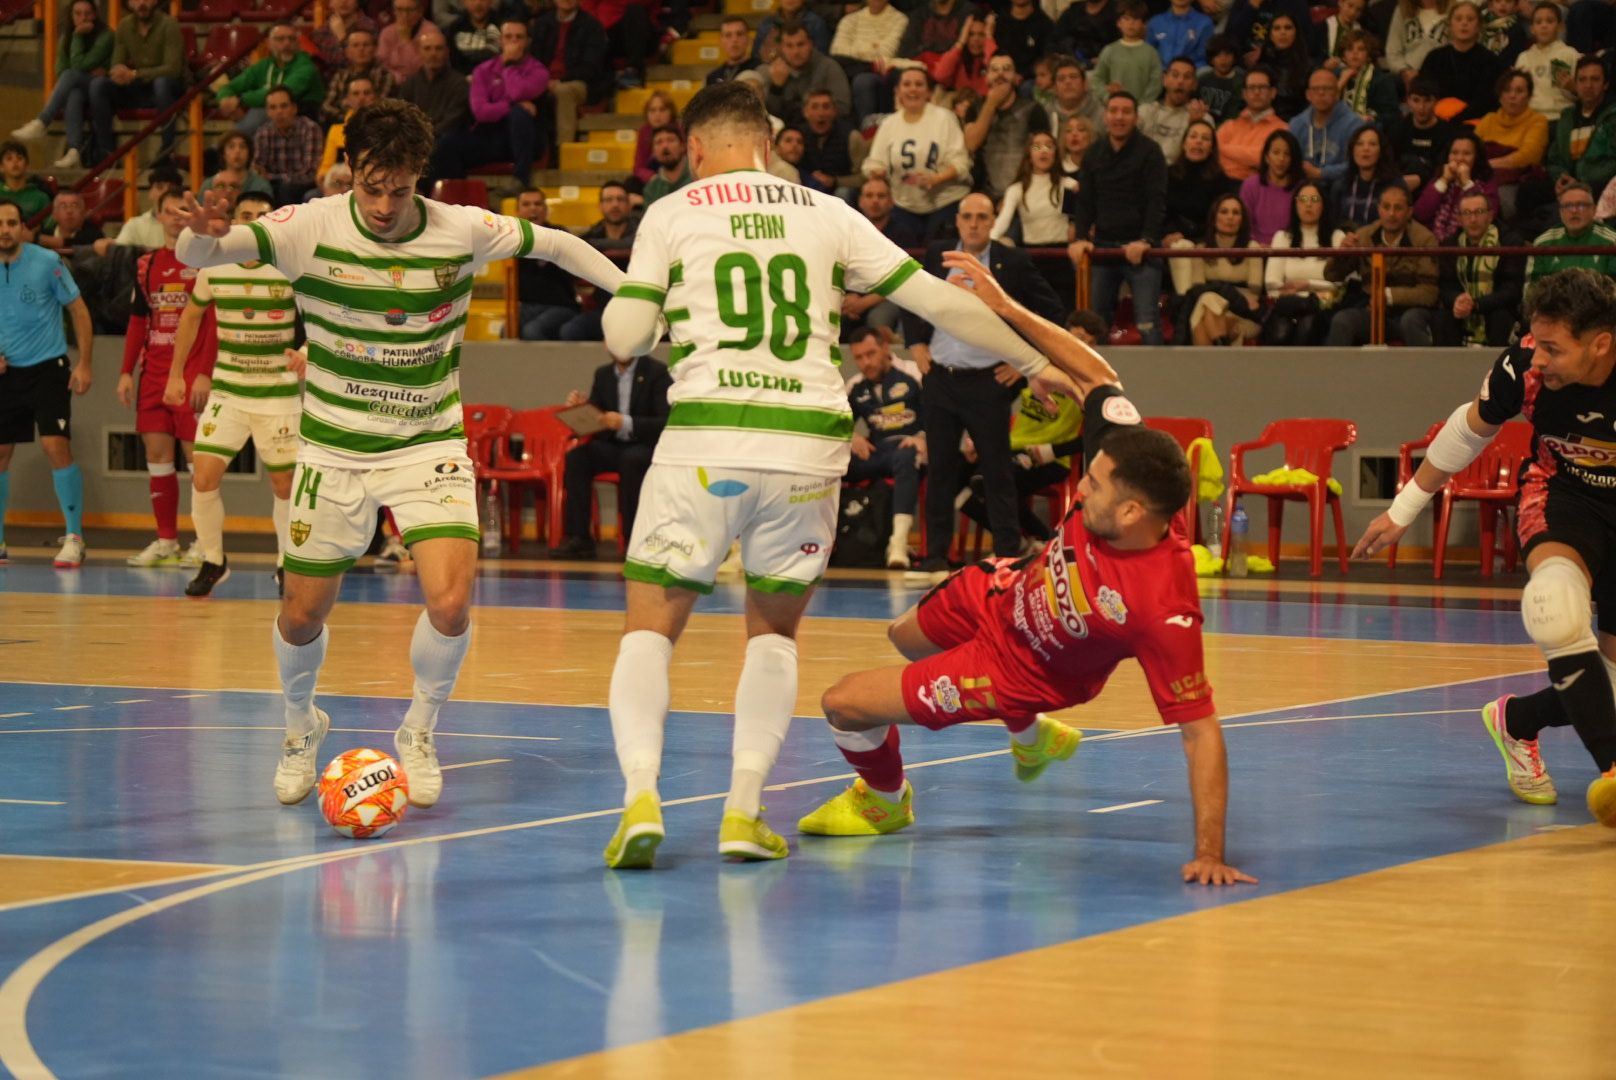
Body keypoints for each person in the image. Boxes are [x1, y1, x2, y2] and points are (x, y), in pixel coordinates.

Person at [596, 80, 1077, 868]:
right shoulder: (824, 209)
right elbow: (935, 299)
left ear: (694, 146)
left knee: (651, 629)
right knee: (773, 635)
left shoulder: (673, 211)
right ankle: (744, 810)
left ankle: (641, 796)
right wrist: (1033, 359)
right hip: (808, 447)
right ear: (769, 140)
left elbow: (622, 337)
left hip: (707, 440)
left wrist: (648, 297)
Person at [173, 98, 627, 810]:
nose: (384, 204)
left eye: (401, 187)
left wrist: (635, 295)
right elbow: (208, 254)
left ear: (422, 176)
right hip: (332, 449)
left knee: (450, 602)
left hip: (428, 444)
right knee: (301, 614)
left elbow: (560, 246)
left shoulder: (462, 228)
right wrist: (194, 244)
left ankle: (418, 730)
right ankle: (300, 725)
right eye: (371, 186)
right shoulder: (305, 229)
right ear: (350, 171)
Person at [801, 248, 1256, 889]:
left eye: (1093, 487)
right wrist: (1006, 311)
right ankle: (1033, 741)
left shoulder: (1162, 606)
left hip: (1020, 671)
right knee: (902, 636)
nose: (1079, 490)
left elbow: (1200, 734)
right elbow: (1100, 378)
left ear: (1131, 512)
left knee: (842, 704)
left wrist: (1209, 850)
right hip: (1006, 587)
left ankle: (885, 799)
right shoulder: (1127, 459)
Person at [1351, 268, 1616, 828]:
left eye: (1553, 348)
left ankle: (1517, 719)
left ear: (1601, 343)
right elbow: (1467, 430)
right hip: (1563, 497)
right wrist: (1402, 510)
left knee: (1608, 682)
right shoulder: (1524, 369)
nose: (1538, 358)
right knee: (1555, 606)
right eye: (1535, 342)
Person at [907, 192, 1064, 571]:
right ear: (958, 221)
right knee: (941, 470)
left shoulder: (1012, 262)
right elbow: (910, 295)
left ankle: (1009, 553)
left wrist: (1024, 360)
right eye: (968, 217)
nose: (975, 223)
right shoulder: (938, 255)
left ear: (993, 222)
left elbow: (1051, 311)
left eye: (982, 217)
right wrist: (915, 341)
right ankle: (936, 556)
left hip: (988, 381)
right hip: (941, 377)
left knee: (996, 470)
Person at [161, 192, 300, 597]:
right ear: (235, 221)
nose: (254, 220)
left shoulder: (289, 266)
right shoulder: (215, 264)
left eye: (262, 215)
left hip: (277, 395)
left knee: (284, 484)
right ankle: (213, 560)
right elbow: (191, 315)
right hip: (229, 392)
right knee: (203, 477)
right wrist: (177, 375)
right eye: (246, 215)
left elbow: (322, 316)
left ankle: (285, 565)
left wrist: (306, 351)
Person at [0, 200, 96, 568]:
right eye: (1, 223)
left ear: (23, 227)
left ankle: (74, 537)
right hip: (6, 375)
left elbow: (78, 309)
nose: (6, 229)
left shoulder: (47, 263)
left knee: (56, 446)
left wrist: (85, 363)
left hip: (47, 368)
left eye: (12, 222)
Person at [119, 188, 211, 568]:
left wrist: (205, 371)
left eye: (182, 211)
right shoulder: (146, 264)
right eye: (168, 212)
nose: (176, 217)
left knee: (198, 461)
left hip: (190, 373)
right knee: (157, 457)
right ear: (157, 217)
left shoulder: (208, 261)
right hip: (153, 373)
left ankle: (207, 543)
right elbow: (139, 321)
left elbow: (213, 321)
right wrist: (126, 371)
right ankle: (166, 541)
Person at [547, 352, 672, 559]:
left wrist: (626, 422)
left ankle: (634, 539)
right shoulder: (603, 374)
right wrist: (584, 409)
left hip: (645, 444)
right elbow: (599, 419)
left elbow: (664, 421)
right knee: (577, 458)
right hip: (612, 443)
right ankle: (580, 538)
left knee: (631, 460)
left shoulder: (657, 372)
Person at [1070, 91, 1169, 344]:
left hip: (1141, 249)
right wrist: (1080, 237)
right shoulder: (1094, 152)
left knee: (1148, 322)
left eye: (1126, 111)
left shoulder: (1151, 151)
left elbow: (1157, 200)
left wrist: (1146, 240)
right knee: (1094, 322)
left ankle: (1159, 382)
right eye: (1114, 111)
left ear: (1136, 117)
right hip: (1102, 247)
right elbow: (1085, 202)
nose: (1119, 117)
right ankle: (1098, 382)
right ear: (1105, 117)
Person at [844, 327, 925, 569]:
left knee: (906, 456)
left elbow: (941, 415)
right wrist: (851, 437)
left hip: (913, 450)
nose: (866, 362)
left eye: (871, 354)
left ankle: (898, 544)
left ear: (885, 348)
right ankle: (828, 543)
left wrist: (924, 437)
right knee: (832, 463)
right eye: (859, 357)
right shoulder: (855, 386)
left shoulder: (914, 373)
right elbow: (836, 423)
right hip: (877, 453)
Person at [430, 20, 548, 186]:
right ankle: (459, 199)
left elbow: (516, 92)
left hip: (526, 139)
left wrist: (509, 66)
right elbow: (481, 112)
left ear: (527, 42)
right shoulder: (482, 71)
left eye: (519, 37)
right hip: (491, 136)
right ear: (500, 40)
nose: (513, 41)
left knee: (519, 115)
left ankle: (521, 183)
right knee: (447, 144)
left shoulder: (538, 71)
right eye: (508, 36)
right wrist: (511, 105)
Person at [862, 67, 972, 240]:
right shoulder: (889, 124)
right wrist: (877, 172)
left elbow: (961, 163)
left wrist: (936, 179)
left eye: (919, 84)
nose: (913, 89)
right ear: (897, 91)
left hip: (945, 202)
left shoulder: (945, 118)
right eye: (907, 84)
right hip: (904, 205)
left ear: (928, 92)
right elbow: (874, 162)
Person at [1323, 183, 1438, 346]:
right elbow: (1331, 276)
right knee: (1343, 321)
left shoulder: (1425, 240)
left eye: (1398, 208)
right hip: (1373, 312)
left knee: (1410, 321)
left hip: (1410, 311)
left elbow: (1429, 293)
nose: (1391, 213)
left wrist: (1387, 295)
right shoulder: (1364, 236)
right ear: (1378, 209)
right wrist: (1342, 254)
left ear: (1409, 212)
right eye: (1386, 207)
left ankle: (1425, 371)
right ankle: (1337, 371)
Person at [11, 0, 112, 170]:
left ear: (95, 15)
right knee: (73, 93)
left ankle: (42, 122)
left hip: (103, 87)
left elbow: (77, 66)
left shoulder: (106, 35)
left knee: (71, 76)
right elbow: (60, 70)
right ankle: (74, 150)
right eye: (77, 13)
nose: (83, 18)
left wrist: (78, 37)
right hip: (82, 86)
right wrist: (84, 71)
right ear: (71, 16)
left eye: (87, 13)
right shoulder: (66, 37)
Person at [88, 0, 183, 162]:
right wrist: (118, 73)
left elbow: (173, 69)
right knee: (98, 85)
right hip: (139, 86)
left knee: (161, 83)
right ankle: (108, 152)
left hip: (169, 87)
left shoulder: (169, 24)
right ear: (129, 3)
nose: (142, 3)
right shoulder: (124, 26)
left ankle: (167, 149)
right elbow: (117, 64)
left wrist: (134, 74)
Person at [1427, 189, 1524, 346]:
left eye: (1478, 212)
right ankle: (1446, 368)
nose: (1473, 219)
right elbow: (1445, 286)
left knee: (1500, 317)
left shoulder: (1510, 242)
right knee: (1442, 318)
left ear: (1490, 215)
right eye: (1466, 213)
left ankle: (1497, 368)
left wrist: (1477, 304)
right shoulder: (1450, 245)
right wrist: (1457, 300)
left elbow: (1512, 290)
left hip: (1497, 308)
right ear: (1459, 218)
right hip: (1463, 310)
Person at [1171, 193, 1264, 344]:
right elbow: (1198, 287)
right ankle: (1220, 348)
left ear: (1242, 220)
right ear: (1214, 218)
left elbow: (1254, 292)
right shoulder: (1201, 249)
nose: (1230, 217)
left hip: (1242, 312)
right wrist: (1225, 291)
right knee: (1206, 302)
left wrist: (1218, 291)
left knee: (1205, 305)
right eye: (1224, 212)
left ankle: (1211, 360)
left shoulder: (1252, 249)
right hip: (1207, 307)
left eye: (1235, 212)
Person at [1263, 179, 1344, 344]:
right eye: (1303, 200)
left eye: (1315, 200)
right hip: (1288, 303)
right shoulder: (1282, 237)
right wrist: (1290, 294)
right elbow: (1271, 282)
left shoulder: (1337, 238)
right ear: (1295, 204)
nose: (1308, 205)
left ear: (1324, 205)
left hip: (1323, 303)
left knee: (1308, 326)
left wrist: (1306, 284)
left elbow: (1339, 287)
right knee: (1281, 332)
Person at [214, 22, 326, 137]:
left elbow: (283, 93)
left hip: (303, 115)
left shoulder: (306, 66)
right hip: (270, 115)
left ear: (298, 43)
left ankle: (227, 146)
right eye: (280, 39)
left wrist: (239, 101)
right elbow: (229, 87)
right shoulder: (265, 65)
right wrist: (225, 100)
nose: (287, 43)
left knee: (264, 111)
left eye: (291, 39)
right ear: (269, 43)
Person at [513, 190, 593, 339]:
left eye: (538, 204)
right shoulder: (513, 239)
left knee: (532, 331)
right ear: (517, 211)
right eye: (526, 204)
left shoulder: (559, 234)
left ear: (545, 210)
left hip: (561, 306)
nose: (533, 208)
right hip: (527, 306)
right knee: (506, 330)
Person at [531, 0, 610, 147]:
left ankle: (564, 149)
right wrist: (544, 81)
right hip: (544, 81)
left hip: (579, 83)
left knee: (563, 91)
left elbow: (591, 67)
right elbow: (533, 61)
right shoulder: (542, 24)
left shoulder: (592, 26)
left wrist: (561, 80)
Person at [1418, 1, 1505, 122]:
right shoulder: (1434, 58)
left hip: (1475, 123)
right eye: (1458, 19)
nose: (1464, 23)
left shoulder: (1490, 61)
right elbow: (1423, 92)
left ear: (1479, 26)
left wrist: (1457, 119)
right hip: (1437, 121)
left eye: (1470, 19)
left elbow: (1487, 102)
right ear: (1449, 25)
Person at [1545, 58, 1616, 205]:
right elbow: (1554, 158)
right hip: (1569, 183)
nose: (1588, 85)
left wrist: (1581, 184)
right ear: (1575, 84)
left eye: (1595, 79)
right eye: (1582, 80)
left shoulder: (1612, 117)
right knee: (1529, 190)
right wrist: (1561, 177)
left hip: (1602, 187)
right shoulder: (1567, 117)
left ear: (1606, 84)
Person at [829, 0, 909, 123]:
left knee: (862, 81)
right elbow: (837, 51)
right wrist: (872, 47)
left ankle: (867, 129)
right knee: (832, 68)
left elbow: (886, 53)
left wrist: (855, 49)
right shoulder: (850, 20)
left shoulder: (900, 20)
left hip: (880, 73)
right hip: (851, 68)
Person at [990, 131, 1075, 246]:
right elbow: (1003, 222)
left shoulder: (1068, 185)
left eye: (1049, 146)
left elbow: (1079, 219)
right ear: (1029, 156)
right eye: (1036, 147)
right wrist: (986, 243)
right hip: (1031, 252)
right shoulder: (1016, 189)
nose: (1043, 151)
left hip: (1061, 251)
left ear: (1055, 154)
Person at [1412, 130, 1498, 242]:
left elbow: (1487, 216)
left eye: (1466, 153)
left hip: (1469, 243)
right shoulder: (1439, 178)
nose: (1459, 158)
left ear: (1476, 157)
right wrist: (1444, 181)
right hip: (1433, 244)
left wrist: (1467, 183)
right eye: (1454, 153)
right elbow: (1420, 214)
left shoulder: (1487, 181)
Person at [761, 19, 853, 123]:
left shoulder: (829, 67)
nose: (796, 52)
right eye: (789, 46)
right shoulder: (773, 70)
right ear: (781, 48)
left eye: (800, 45)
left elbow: (843, 108)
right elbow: (770, 117)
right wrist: (776, 89)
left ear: (810, 44)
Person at [1525, 182, 1616, 283]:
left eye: (1581, 206)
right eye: (1567, 206)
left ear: (1594, 210)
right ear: (1560, 212)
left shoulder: (1612, 242)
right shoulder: (1542, 243)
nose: (1574, 211)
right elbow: (1531, 292)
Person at [1163, 118, 1234, 241]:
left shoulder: (1220, 180)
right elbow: (1158, 212)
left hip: (1203, 240)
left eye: (1205, 138)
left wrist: (1185, 236)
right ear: (1184, 144)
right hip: (1166, 237)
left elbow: (1218, 220)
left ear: (1212, 148)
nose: (1198, 141)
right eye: (1193, 136)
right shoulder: (1167, 174)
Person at [252, 87, 324, 207]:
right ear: (268, 112)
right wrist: (266, 177)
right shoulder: (263, 133)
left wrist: (274, 177)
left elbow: (310, 173)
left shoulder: (310, 129)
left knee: (286, 188)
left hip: (304, 185)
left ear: (294, 108)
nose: (279, 112)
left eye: (284, 106)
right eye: (273, 107)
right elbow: (259, 169)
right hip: (274, 184)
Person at [1385, 74, 1458, 192]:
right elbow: (1388, 165)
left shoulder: (1449, 134)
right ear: (1408, 101)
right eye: (1416, 100)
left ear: (1436, 101)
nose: (1421, 107)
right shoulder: (1397, 130)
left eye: (1427, 100)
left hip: (1435, 189)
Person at [396, 29, 472, 139]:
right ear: (419, 52)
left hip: (444, 143)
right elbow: (402, 116)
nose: (433, 54)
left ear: (447, 52)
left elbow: (452, 122)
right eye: (427, 49)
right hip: (414, 141)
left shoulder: (459, 84)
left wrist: (423, 135)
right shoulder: (410, 83)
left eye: (438, 48)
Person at [1288, 65, 1358, 183]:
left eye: (1327, 89)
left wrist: (1321, 173)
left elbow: (1358, 164)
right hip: (1305, 192)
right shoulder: (1296, 124)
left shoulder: (1354, 124)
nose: (1321, 93)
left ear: (1337, 93)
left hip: (1341, 190)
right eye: (1316, 89)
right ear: (1308, 95)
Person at [1215, 64, 1286, 180]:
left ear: (1273, 92)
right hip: (1220, 185)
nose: (1256, 92)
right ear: (1244, 94)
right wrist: (1248, 161)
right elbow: (1212, 155)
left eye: (1262, 87)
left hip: (1257, 190)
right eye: (1252, 88)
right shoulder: (1229, 126)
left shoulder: (1282, 129)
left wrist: (1222, 148)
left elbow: (1262, 158)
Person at [1513, 2, 1578, 121]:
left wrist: (1573, 88)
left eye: (1549, 21)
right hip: (1529, 118)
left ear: (1560, 27)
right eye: (1538, 22)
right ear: (1532, 28)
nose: (1544, 26)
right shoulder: (1524, 57)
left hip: (1560, 116)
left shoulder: (1569, 54)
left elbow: (1582, 92)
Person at [1092, 0, 1164, 106]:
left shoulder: (1151, 53)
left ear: (1144, 24)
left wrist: (1143, 104)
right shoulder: (1110, 50)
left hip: (1143, 108)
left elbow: (1156, 83)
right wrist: (1106, 96)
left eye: (1135, 19)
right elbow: (1097, 79)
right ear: (1119, 23)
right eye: (1126, 18)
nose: (1131, 23)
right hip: (1114, 106)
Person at [320, 29, 396, 127]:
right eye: (355, 45)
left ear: (375, 49)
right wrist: (348, 116)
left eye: (366, 45)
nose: (361, 49)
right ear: (347, 51)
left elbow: (381, 106)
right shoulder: (340, 76)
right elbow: (327, 106)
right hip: (343, 124)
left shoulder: (385, 76)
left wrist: (346, 104)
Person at [1239, 128, 1301, 242]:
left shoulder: (1302, 189)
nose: (1281, 159)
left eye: (1287, 154)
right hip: (1255, 250)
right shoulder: (1250, 186)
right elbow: (1244, 225)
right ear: (1267, 157)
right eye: (1276, 152)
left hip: (1290, 250)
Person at [1137, 57, 1204, 164]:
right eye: (1175, 75)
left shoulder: (1202, 118)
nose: (1180, 81)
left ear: (1194, 84)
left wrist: (1195, 124)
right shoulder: (1145, 111)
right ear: (1164, 79)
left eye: (1187, 77)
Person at [317, 75, 376, 180]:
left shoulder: (384, 127)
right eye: (356, 93)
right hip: (341, 183)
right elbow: (325, 168)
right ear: (347, 99)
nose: (361, 97)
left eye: (366, 93)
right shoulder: (336, 130)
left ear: (375, 97)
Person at [1336, 28, 1399, 122]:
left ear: (1369, 56)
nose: (1355, 53)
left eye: (1361, 49)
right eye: (1349, 49)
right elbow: (1322, 108)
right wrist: (1341, 82)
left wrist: (1371, 118)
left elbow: (1391, 115)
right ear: (1343, 56)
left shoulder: (1381, 80)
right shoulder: (1334, 76)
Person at [1385, 0, 1450, 89]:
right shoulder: (1402, 11)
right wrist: (1405, 71)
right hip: (1409, 77)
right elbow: (1392, 51)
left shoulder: (1453, 10)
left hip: (1442, 76)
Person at [199, 132, 275, 203]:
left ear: (249, 154)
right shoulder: (209, 185)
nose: (237, 151)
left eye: (242, 147)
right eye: (231, 146)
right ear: (223, 154)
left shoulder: (261, 186)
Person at [378, 0, 439, 84]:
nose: (405, 15)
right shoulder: (387, 33)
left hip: (422, 83)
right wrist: (398, 78)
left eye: (409, 10)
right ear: (394, 11)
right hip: (393, 83)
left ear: (420, 11)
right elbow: (382, 65)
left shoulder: (431, 32)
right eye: (399, 9)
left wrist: (405, 40)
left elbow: (419, 68)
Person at [1048, 57, 1105, 137]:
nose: (1068, 82)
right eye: (1061, 79)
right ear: (1054, 88)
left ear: (1085, 84)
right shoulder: (1045, 116)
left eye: (1073, 77)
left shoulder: (1102, 116)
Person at [632, 91, 679, 185]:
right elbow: (638, 168)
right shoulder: (644, 132)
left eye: (662, 110)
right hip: (652, 178)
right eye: (652, 110)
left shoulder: (680, 130)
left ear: (671, 112)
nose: (657, 115)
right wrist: (652, 177)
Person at [1149, 0, 1214, 67]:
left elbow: (1203, 55)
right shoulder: (1155, 22)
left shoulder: (1205, 23)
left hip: (1193, 71)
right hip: (1161, 73)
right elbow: (1150, 53)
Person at [444, 0, 503, 74]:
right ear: (464, 2)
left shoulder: (503, 26)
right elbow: (454, 63)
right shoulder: (455, 28)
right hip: (463, 80)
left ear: (491, 1)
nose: (477, 3)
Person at [641, 126, 693, 205]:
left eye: (671, 140)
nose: (665, 146)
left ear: (683, 146)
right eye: (659, 142)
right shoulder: (651, 189)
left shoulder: (698, 177)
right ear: (653, 152)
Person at [37, 191, 103, 254]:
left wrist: (38, 239)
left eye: (74, 206)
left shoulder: (95, 236)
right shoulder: (45, 233)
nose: (69, 211)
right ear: (54, 214)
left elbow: (77, 244)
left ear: (83, 213)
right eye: (63, 206)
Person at [0, 142, 51, 223]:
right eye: (9, 158)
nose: (15, 162)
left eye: (19, 158)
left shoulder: (40, 198)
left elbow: (49, 227)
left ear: (27, 165)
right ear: (1, 167)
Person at [581, 180, 637, 252]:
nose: (615, 205)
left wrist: (589, 243)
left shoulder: (641, 231)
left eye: (620, 199)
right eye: (609, 199)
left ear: (629, 205)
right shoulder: (593, 233)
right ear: (600, 206)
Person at [705, 15, 754, 86]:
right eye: (728, 35)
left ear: (748, 39)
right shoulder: (712, 77)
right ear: (721, 41)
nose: (734, 40)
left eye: (739, 34)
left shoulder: (760, 70)